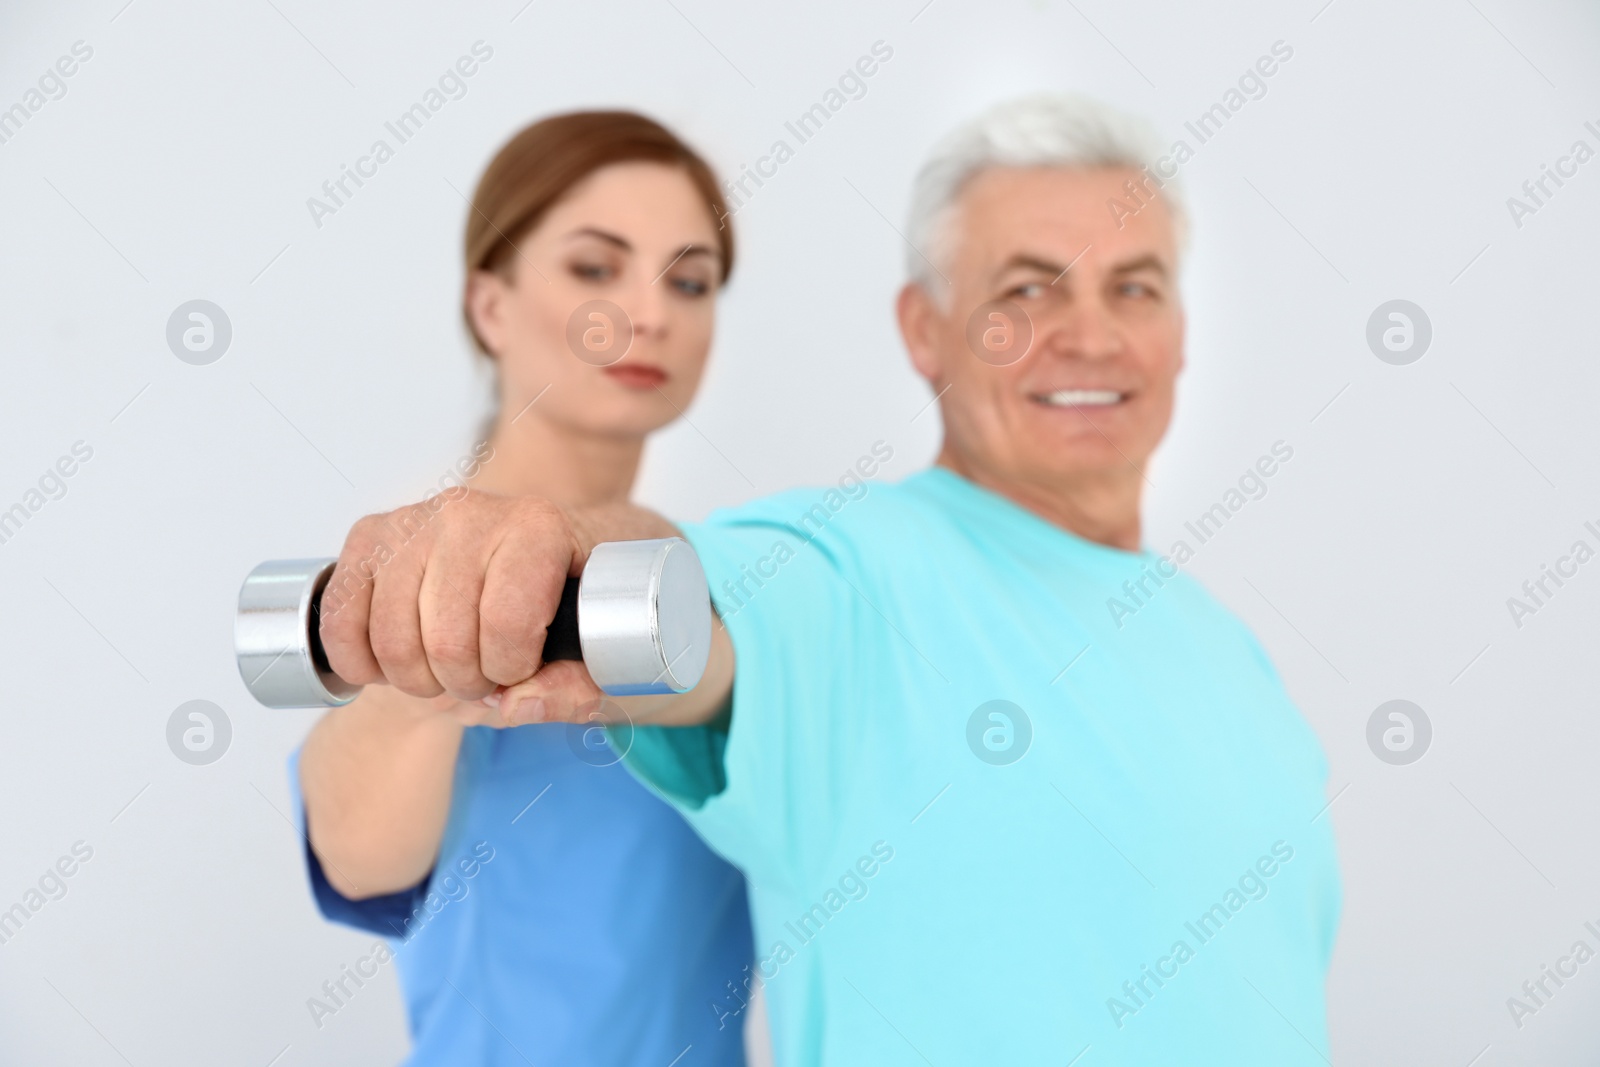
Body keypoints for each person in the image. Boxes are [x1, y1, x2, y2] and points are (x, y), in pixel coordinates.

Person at [315, 94, 1343, 1065]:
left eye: (1135, 284)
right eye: (1026, 287)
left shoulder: (1234, 661)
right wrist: (513, 567)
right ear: (922, 328)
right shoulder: (839, 575)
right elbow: (706, 594)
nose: (1090, 331)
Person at [290, 111, 755, 1066]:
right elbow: (360, 859)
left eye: (692, 279)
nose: (652, 311)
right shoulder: (416, 593)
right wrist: (419, 675)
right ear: (490, 304)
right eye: (596, 267)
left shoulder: (725, 589)